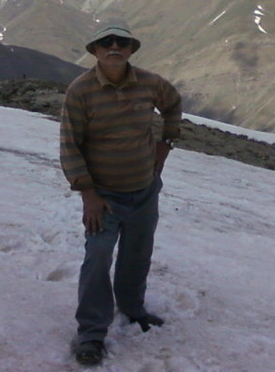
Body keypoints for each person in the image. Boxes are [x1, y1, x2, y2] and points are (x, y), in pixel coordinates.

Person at [59, 23, 182, 366]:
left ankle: (131, 307)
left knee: (137, 251)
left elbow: (172, 105)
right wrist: (88, 195)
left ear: (131, 49)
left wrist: (166, 144)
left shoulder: (150, 83)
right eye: (106, 42)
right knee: (98, 256)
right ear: (94, 50)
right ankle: (91, 333)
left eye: (122, 42)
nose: (114, 46)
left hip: (144, 189)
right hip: (104, 196)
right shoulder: (80, 91)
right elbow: (70, 145)